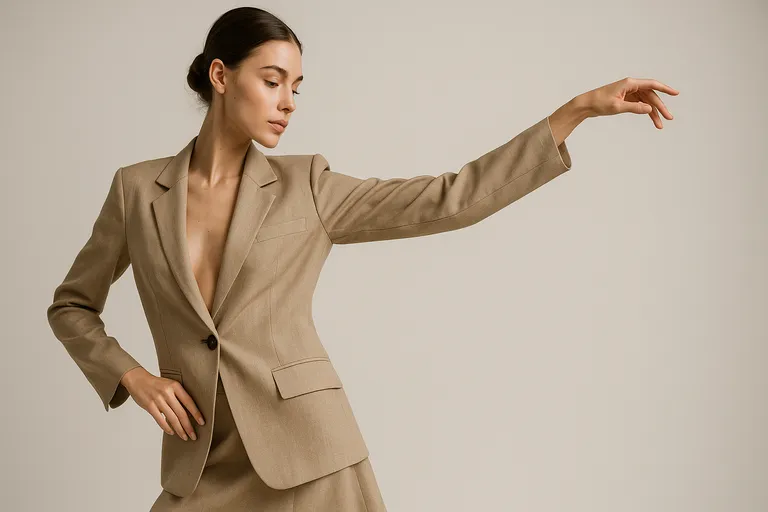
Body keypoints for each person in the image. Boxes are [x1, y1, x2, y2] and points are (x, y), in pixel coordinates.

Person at [45, 6, 678, 512]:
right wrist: (133, 376)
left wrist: (574, 114)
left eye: (296, 86)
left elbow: (448, 198)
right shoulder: (137, 189)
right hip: (202, 460)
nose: (289, 101)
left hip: (311, 457)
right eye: (272, 82)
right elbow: (72, 305)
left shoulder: (309, 185)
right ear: (220, 75)